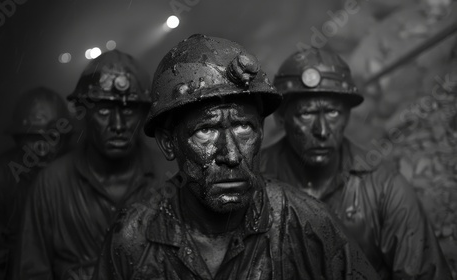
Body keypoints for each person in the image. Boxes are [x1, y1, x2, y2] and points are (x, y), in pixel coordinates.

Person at [92, 34, 380, 280]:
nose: (230, 154)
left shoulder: (308, 224)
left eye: (244, 127)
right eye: (205, 130)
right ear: (168, 143)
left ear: (262, 132)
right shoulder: (133, 237)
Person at [260, 47, 452, 279]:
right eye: (306, 114)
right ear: (281, 118)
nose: (321, 131)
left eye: (332, 113)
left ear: (347, 116)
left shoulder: (384, 187)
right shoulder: (252, 182)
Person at [15, 50, 168, 280]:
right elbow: (30, 271)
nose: (118, 124)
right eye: (104, 110)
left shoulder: (169, 176)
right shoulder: (51, 183)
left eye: (128, 109)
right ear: (84, 113)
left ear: (145, 114)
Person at [0, 87, 72, 280]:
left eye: (51, 138)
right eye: (33, 138)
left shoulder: (80, 170)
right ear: (18, 139)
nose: (42, 149)